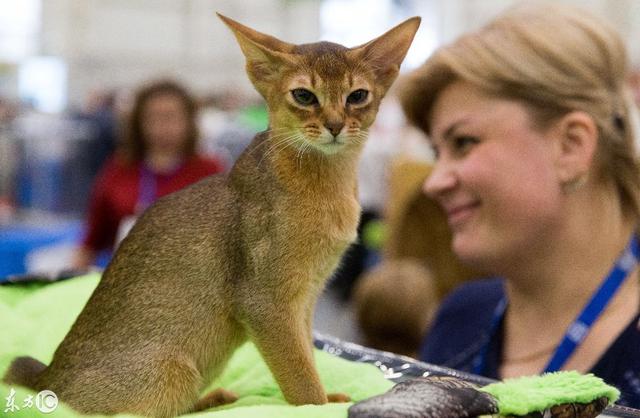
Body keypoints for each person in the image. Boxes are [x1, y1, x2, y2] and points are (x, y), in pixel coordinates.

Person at [399, 3, 640, 407]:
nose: (434, 183)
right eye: (436, 152)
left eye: (463, 142)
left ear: (571, 146)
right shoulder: (459, 319)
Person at [73, 79, 226, 269]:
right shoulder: (119, 168)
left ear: (189, 121)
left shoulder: (210, 170)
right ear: (139, 122)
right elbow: (90, 242)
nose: (162, 126)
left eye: (171, 117)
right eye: (153, 118)